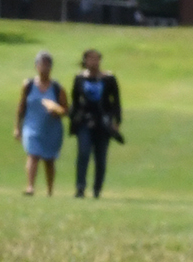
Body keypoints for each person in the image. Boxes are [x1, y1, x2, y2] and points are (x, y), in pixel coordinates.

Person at [68, 48, 122, 199]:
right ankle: (80, 188)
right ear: (85, 61)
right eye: (91, 58)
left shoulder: (109, 79)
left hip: (103, 122)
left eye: (97, 58)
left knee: (100, 157)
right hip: (85, 121)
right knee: (83, 153)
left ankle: (97, 189)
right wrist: (72, 118)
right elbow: (75, 101)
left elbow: (116, 101)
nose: (94, 62)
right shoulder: (79, 78)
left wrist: (117, 121)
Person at [16, 52, 67, 196]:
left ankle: (50, 190)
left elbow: (66, 109)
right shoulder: (29, 85)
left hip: (51, 128)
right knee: (32, 155)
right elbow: (21, 107)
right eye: (41, 64)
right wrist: (17, 128)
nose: (44, 68)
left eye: (47, 65)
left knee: (49, 160)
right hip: (31, 126)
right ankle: (30, 186)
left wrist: (56, 110)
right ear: (36, 66)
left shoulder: (57, 87)